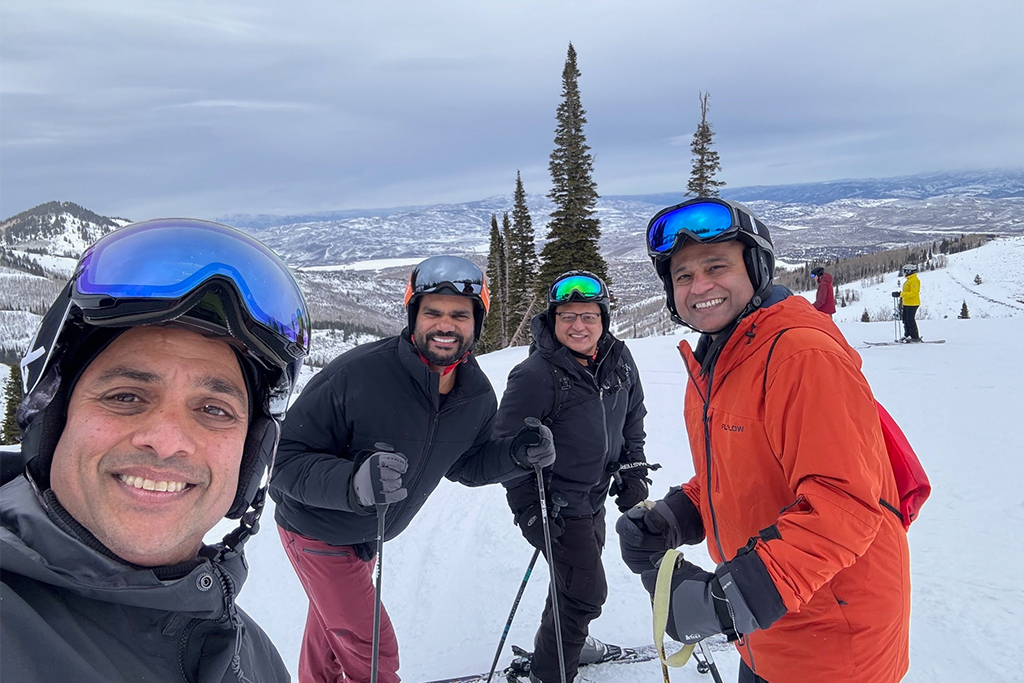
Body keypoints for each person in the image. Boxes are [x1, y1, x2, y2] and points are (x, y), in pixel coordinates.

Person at [0, 218, 311, 683]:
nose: (166, 441)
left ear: (250, 455)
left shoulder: (253, 657)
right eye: (126, 397)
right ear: (54, 418)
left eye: (213, 409)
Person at [616, 198, 910, 683]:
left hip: (833, 644)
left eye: (717, 266)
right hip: (770, 631)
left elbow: (845, 506)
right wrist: (677, 515)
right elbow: (746, 470)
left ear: (755, 269)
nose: (700, 286)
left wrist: (732, 601)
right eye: (683, 276)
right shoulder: (725, 354)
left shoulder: (799, 353)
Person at [268, 255, 556, 683]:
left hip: (367, 534)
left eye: (459, 315)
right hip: (317, 529)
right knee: (372, 649)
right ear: (413, 317)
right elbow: (284, 463)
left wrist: (515, 455)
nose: (445, 325)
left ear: (476, 323)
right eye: (433, 313)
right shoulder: (356, 374)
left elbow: (466, 465)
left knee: (334, 632)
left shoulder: (475, 395)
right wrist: (354, 484)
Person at [494, 271, 648, 683]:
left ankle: (569, 643)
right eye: (567, 316)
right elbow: (505, 450)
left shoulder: (618, 358)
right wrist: (529, 510)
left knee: (572, 581)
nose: (578, 325)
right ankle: (552, 672)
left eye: (589, 316)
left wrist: (633, 464)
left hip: (594, 496)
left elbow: (633, 415)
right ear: (552, 319)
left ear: (604, 319)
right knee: (585, 590)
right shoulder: (535, 375)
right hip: (555, 504)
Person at [899, 264, 921, 342]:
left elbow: (913, 293)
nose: (904, 273)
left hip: (913, 303)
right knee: (905, 320)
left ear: (909, 271)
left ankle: (915, 337)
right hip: (907, 303)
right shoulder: (909, 280)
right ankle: (907, 335)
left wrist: (901, 294)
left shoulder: (914, 280)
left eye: (905, 271)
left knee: (910, 320)